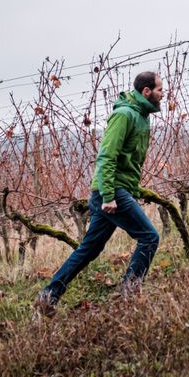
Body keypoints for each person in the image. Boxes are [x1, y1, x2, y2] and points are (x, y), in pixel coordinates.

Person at [34, 71, 164, 317]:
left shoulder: (142, 115)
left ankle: (48, 296)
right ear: (146, 91)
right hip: (111, 190)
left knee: (89, 249)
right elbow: (106, 156)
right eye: (159, 89)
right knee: (149, 237)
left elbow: (129, 160)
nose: (163, 93)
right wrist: (108, 196)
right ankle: (129, 294)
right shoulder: (124, 115)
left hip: (118, 189)